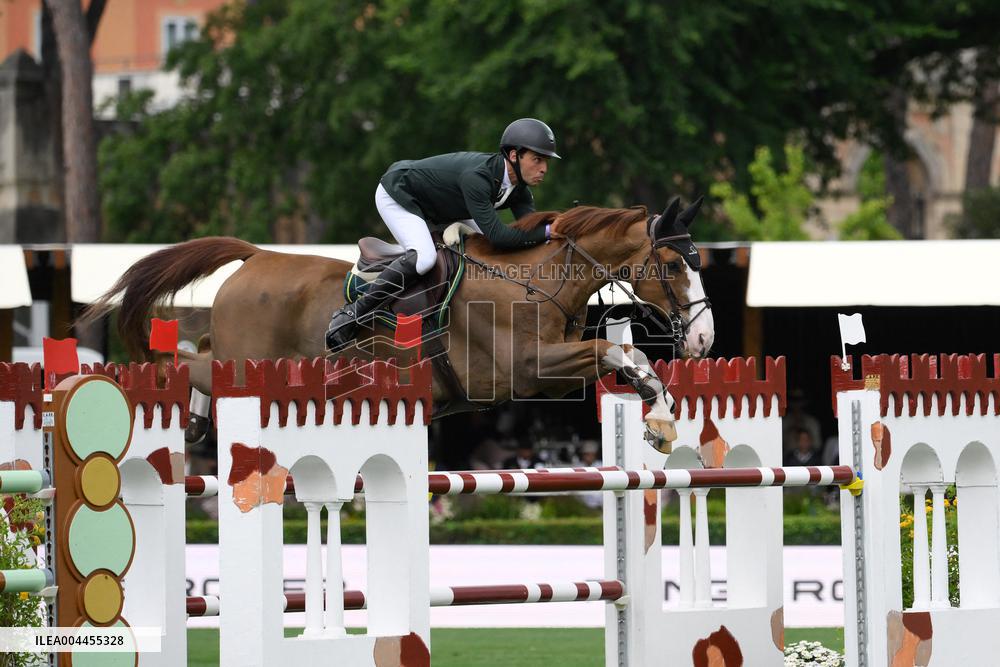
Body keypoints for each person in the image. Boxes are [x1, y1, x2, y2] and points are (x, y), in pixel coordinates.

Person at [325, 118, 561, 350]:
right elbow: (501, 236)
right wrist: (549, 231)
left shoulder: (520, 190)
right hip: (401, 193)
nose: (544, 169)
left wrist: (557, 229)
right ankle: (353, 313)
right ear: (514, 155)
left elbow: (528, 232)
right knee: (424, 258)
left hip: (445, 206)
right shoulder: (478, 178)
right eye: (537, 159)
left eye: (546, 161)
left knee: (488, 252)